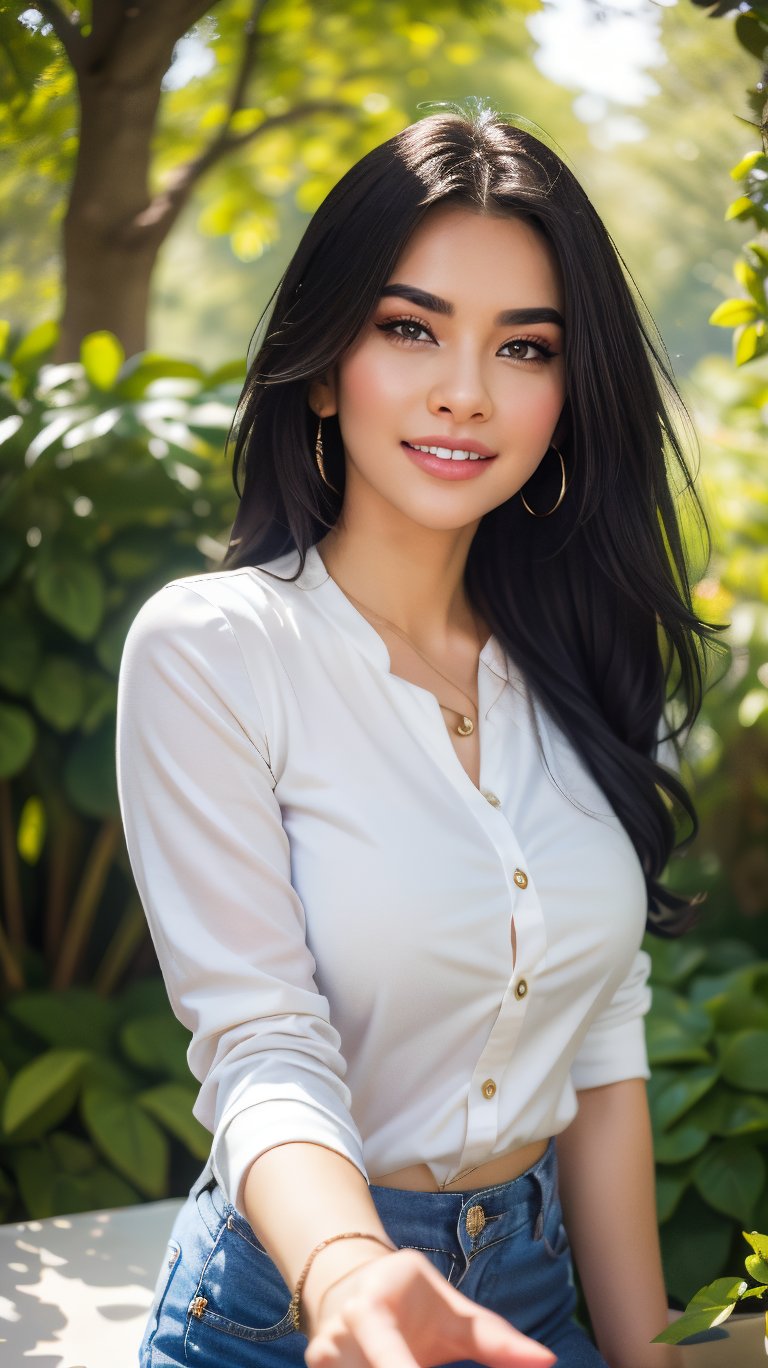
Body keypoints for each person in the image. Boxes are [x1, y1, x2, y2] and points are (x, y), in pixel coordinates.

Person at [116, 103, 723, 1368]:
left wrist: (646, 1355)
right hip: (288, 1311)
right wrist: (351, 1278)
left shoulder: (587, 662)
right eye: (410, 329)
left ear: (568, 389)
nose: (464, 391)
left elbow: (601, 1055)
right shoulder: (215, 651)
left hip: (542, 1291)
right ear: (326, 363)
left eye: (524, 347)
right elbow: (260, 1042)